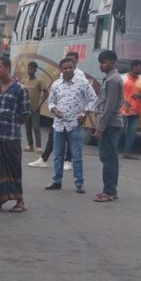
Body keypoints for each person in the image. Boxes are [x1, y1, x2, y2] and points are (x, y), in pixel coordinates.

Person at [0, 56, 30, 213]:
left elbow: (25, 114)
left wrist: (13, 124)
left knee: (13, 169)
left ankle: (20, 201)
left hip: (11, 137)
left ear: (7, 68)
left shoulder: (19, 89)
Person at [45, 57, 96, 194]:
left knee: (76, 156)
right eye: (65, 68)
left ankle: (79, 183)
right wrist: (54, 110)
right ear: (60, 69)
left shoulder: (82, 83)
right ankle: (56, 181)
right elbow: (51, 102)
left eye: (70, 67)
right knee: (58, 155)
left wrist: (84, 114)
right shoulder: (56, 84)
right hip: (58, 125)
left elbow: (93, 99)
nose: (68, 70)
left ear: (74, 68)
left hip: (75, 125)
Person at [93, 50, 124, 203]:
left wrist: (100, 128)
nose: (101, 66)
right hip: (108, 123)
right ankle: (110, 190)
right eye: (100, 63)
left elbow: (109, 107)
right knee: (109, 157)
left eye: (104, 62)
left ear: (113, 62)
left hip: (110, 124)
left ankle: (109, 191)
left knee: (109, 158)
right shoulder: (110, 78)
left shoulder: (113, 80)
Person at [120, 60, 141, 158]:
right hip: (122, 111)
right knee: (119, 132)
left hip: (135, 111)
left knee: (132, 133)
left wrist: (139, 96)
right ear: (133, 67)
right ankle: (112, 151)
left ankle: (127, 152)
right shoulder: (123, 78)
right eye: (140, 67)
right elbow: (117, 93)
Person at [21, 61, 46, 153]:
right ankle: (30, 145)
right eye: (28, 69)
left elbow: (46, 92)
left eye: (31, 69)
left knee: (36, 127)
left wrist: (40, 104)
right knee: (28, 127)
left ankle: (39, 146)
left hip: (35, 108)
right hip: (25, 109)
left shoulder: (39, 81)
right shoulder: (24, 81)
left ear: (35, 70)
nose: (29, 71)